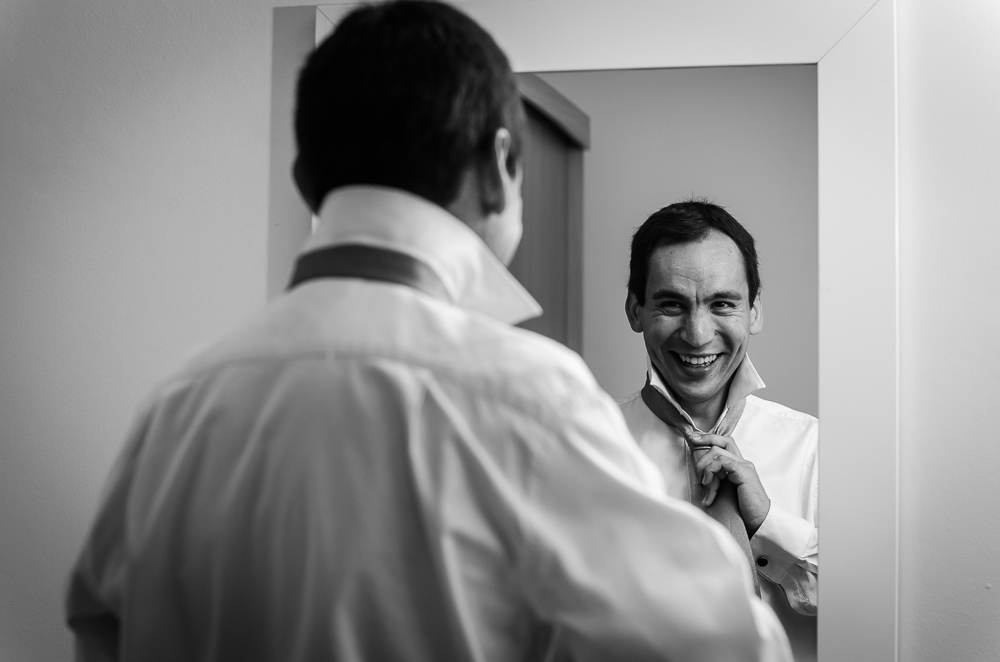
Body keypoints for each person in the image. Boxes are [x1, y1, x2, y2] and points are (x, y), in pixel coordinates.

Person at [65, 3, 791, 661]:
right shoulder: (531, 399)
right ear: (503, 164)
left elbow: (100, 631)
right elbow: (730, 650)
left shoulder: (176, 407)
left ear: (303, 176)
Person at [619, 200, 819, 661]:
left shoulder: (812, 447)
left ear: (754, 312)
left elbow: (862, 606)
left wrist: (767, 523)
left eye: (722, 304)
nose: (697, 333)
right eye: (672, 304)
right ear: (635, 311)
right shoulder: (593, 446)